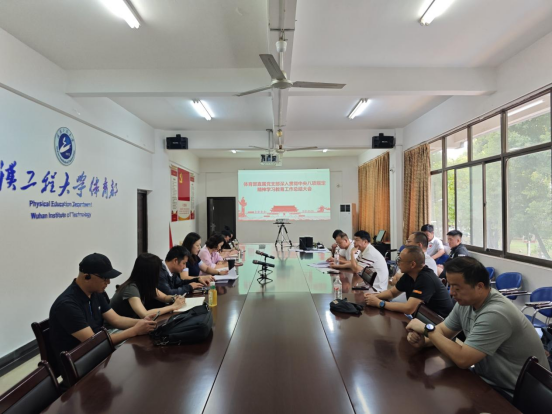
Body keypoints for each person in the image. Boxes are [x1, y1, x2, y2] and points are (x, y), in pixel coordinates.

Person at [406, 257, 549, 398]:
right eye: (451, 286)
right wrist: (423, 341)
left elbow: (463, 359)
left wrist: (428, 330)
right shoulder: (465, 302)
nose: (451, 293)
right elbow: (443, 331)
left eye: (457, 288)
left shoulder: (495, 313)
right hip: (488, 380)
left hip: (518, 395)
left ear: (479, 287)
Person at [49, 253, 157, 378]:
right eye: (104, 278)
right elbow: (93, 342)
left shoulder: (96, 293)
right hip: (80, 364)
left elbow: (116, 319)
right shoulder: (67, 305)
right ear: (87, 277)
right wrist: (134, 330)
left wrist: (143, 323)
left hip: (98, 353)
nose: (108, 282)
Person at [365, 246, 453, 318]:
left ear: (412, 264)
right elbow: (392, 293)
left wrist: (379, 303)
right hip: (422, 317)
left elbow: (409, 309)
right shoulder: (410, 274)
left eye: (400, 260)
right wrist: (374, 296)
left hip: (437, 322)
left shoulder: (426, 279)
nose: (398, 263)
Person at [110, 253, 187, 319]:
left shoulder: (145, 284)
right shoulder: (131, 288)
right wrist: (173, 307)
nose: (159, 274)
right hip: (115, 328)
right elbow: (144, 314)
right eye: (157, 271)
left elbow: (164, 297)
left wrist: (174, 298)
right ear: (150, 273)